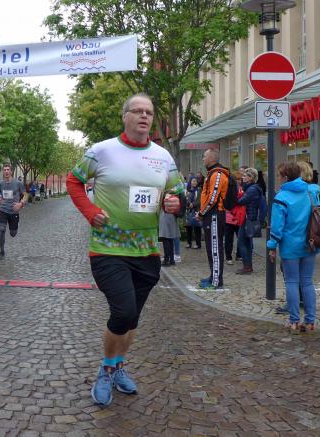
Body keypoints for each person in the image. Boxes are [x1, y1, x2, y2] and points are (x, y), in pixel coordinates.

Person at [67, 93, 183, 407]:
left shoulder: (163, 156)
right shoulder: (101, 151)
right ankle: (106, 370)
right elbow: (73, 181)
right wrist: (90, 212)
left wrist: (174, 203)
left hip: (146, 252)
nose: (144, 116)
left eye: (149, 112)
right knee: (123, 311)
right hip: (108, 250)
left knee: (132, 320)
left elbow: (177, 193)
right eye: (137, 111)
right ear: (125, 116)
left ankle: (119, 366)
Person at [267, 161, 319, 332]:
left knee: (291, 282)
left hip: (290, 245)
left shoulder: (282, 197)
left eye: (279, 175)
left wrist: (272, 246)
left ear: (285, 177)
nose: (278, 178)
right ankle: (310, 321)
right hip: (309, 243)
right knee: (307, 282)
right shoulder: (310, 192)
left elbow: (277, 227)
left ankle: (294, 320)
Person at [197, 149, 230, 290]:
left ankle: (216, 281)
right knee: (211, 248)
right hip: (211, 215)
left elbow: (212, 199)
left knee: (215, 248)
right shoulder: (212, 173)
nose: (203, 159)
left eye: (204, 156)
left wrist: (201, 213)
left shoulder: (217, 174)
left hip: (215, 215)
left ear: (211, 158)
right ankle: (213, 276)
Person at [0, 164, 27, 259]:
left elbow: (25, 195)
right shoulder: (0, 184)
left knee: (13, 233)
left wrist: (21, 204)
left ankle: (14, 228)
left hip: (14, 211)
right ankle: (1, 252)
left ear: (11, 172)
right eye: (4, 170)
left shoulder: (18, 183)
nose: (6, 171)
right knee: (2, 229)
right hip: (3, 210)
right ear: (3, 172)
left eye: (8, 170)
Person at [236, 168, 263, 275]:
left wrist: (236, 198)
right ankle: (248, 266)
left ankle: (247, 266)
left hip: (248, 218)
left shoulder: (252, 189)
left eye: (245, 176)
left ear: (251, 178)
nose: (242, 177)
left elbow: (241, 201)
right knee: (246, 243)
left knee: (241, 242)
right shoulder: (251, 188)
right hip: (248, 218)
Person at [224, 170, 245, 266]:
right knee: (229, 239)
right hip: (229, 217)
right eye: (237, 179)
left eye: (240, 179)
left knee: (240, 237)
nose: (239, 181)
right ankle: (228, 257)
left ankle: (239, 255)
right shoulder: (229, 188)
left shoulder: (243, 188)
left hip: (239, 217)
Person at [184, 177, 202, 249]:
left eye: (195, 181)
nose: (194, 182)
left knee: (197, 227)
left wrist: (193, 204)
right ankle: (189, 243)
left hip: (196, 211)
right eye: (193, 181)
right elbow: (185, 199)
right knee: (188, 227)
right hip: (188, 211)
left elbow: (199, 200)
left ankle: (198, 244)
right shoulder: (187, 191)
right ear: (190, 182)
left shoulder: (199, 190)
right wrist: (188, 204)